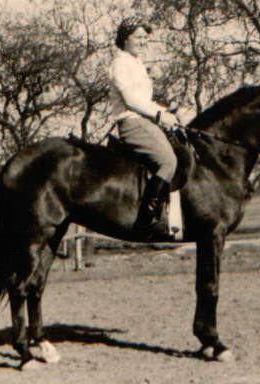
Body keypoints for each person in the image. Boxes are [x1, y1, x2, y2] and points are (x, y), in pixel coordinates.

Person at [108, 15, 181, 241]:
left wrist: (168, 111)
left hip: (144, 120)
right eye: (138, 37)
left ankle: (175, 219)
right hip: (132, 123)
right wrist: (161, 114)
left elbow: (144, 100)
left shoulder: (135, 63)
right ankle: (146, 218)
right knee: (168, 161)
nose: (143, 42)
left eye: (145, 38)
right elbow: (131, 100)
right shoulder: (121, 63)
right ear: (125, 39)